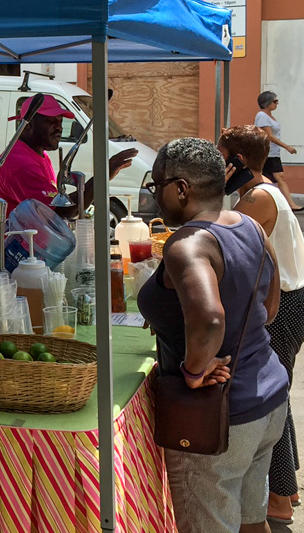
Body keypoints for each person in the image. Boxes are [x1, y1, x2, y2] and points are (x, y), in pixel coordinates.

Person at [137, 137, 288, 533]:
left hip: (219, 419)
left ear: (181, 189)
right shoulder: (250, 225)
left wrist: (194, 369)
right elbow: (270, 306)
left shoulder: (187, 244)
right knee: (253, 521)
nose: (154, 195)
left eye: (156, 185)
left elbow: (209, 319)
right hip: (267, 397)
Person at [218, 125, 304, 524]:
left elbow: (222, 241)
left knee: (271, 398)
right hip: (289, 300)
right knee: (276, 394)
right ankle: (287, 489)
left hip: (284, 305)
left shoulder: (257, 198)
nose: (217, 166)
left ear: (237, 161)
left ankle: (281, 498)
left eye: (221, 159)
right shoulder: (259, 191)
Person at [0, 94, 137, 233]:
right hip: (8, 247)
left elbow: (55, 202)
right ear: (28, 125)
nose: (59, 128)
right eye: (51, 121)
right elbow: (59, 212)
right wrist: (102, 176)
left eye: (60, 121)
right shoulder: (20, 162)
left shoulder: (38, 155)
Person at [254, 91, 300, 210]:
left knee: (271, 179)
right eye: (275, 101)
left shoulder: (268, 116)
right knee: (278, 177)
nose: (277, 103)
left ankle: (272, 204)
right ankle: (289, 204)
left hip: (273, 153)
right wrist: (287, 147)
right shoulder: (262, 116)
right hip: (267, 153)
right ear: (267, 102)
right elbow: (269, 136)